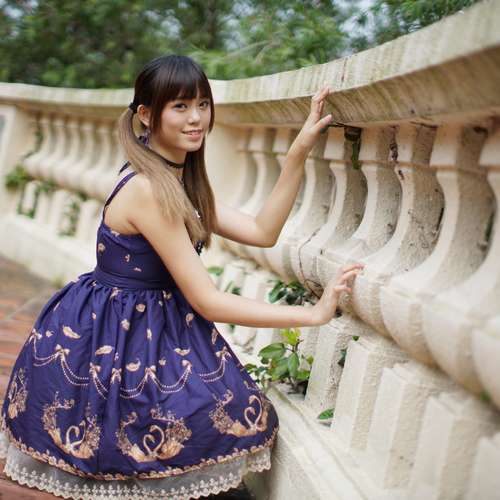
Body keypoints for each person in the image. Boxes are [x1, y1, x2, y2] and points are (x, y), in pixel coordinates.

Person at [0, 54, 363, 499]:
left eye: (202, 105)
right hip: (115, 332)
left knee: (210, 414)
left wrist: (297, 153)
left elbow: (261, 232)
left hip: (151, 321)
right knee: (195, 419)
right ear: (146, 115)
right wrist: (312, 315)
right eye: (180, 107)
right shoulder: (150, 189)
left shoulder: (176, 178)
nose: (196, 119)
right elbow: (207, 300)